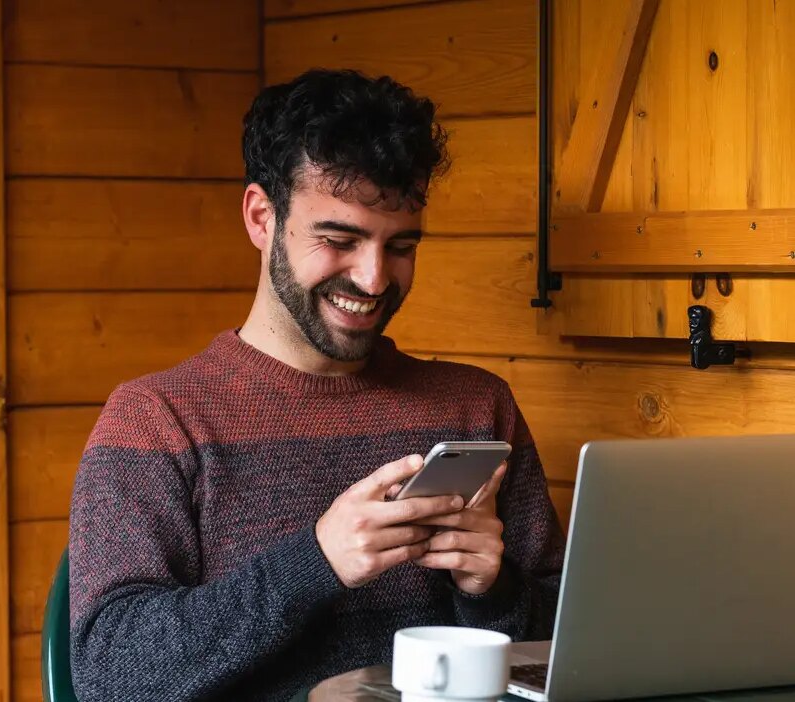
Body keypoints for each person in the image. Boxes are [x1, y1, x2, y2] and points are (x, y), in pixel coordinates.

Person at [68, 68, 565, 702]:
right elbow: (110, 676)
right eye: (339, 240)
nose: (375, 278)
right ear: (260, 218)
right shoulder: (158, 421)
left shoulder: (476, 407)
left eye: (401, 246)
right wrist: (317, 563)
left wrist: (493, 589)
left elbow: (565, 644)